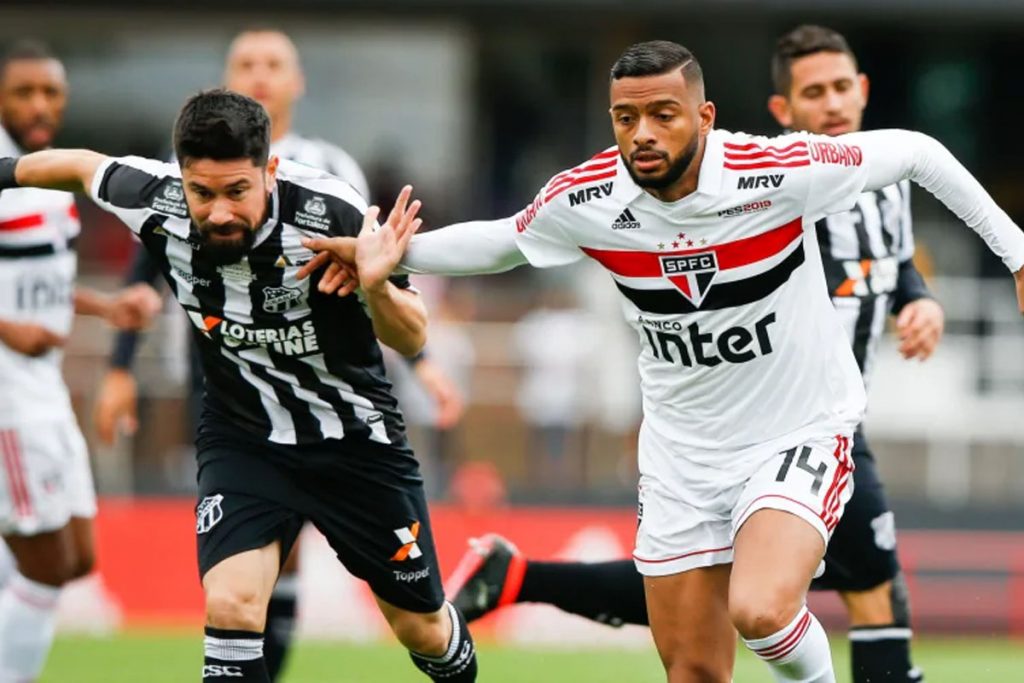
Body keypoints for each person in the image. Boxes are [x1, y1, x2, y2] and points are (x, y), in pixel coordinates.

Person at [300, 40, 1024, 683]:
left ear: (704, 117)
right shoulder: (588, 197)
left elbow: (922, 154)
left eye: (663, 114)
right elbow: (503, 241)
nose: (641, 134)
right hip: (680, 458)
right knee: (694, 667)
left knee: (763, 608)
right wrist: (391, 254)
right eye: (625, 118)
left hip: (797, 431)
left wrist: (1016, 253)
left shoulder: (778, 171)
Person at [444, 25, 940, 683]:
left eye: (843, 88)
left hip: (817, 421)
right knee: (746, 603)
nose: (833, 106)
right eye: (813, 94)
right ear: (782, 115)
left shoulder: (881, 188)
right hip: (742, 424)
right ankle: (522, 578)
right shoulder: (786, 185)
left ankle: (521, 577)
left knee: (782, 594)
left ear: (865, 91)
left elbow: (890, 261)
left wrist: (918, 296)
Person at [0, 89, 479, 683]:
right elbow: (74, 166)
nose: (219, 212)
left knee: (422, 630)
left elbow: (410, 337)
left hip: (357, 442)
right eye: (202, 193)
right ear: (181, 178)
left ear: (269, 171)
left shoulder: (331, 212)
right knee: (231, 606)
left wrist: (377, 286)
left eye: (236, 192)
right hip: (244, 440)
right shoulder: (154, 196)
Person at [0, 39, 161, 682]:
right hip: (6, 390)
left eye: (51, 92)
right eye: (24, 92)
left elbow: (34, 278)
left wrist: (104, 307)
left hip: (43, 384)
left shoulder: (46, 174)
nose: (41, 105)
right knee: (43, 563)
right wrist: (8, 328)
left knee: (75, 559)